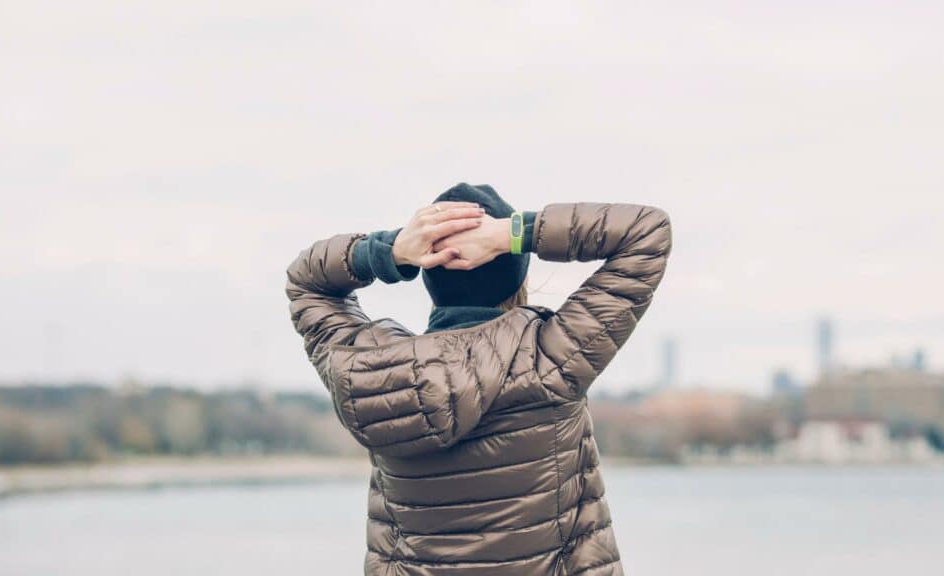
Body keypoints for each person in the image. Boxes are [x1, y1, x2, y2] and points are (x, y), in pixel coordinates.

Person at [286, 183, 671, 575]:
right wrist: (513, 233)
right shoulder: (553, 357)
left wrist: (391, 250)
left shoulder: (371, 372)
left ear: (429, 274)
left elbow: (306, 283)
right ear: (514, 274)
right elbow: (646, 232)